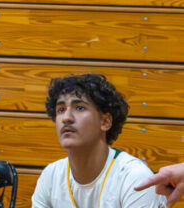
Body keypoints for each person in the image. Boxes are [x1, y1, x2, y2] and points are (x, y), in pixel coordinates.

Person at [32, 74, 165, 208]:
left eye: (79, 108)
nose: (66, 118)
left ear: (105, 122)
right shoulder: (51, 176)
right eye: (61, 110)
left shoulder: (134, 177)